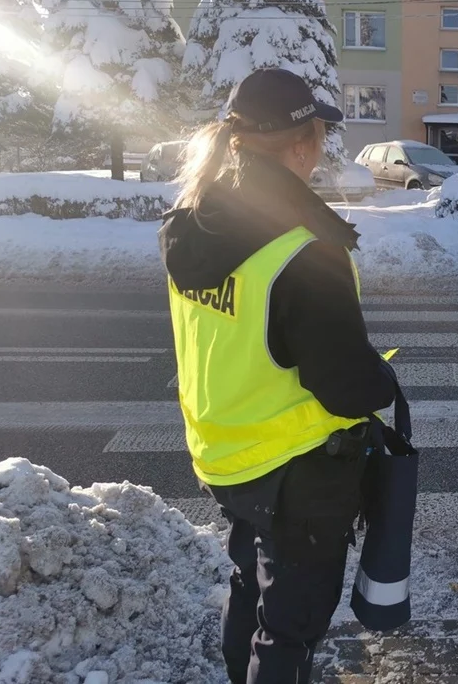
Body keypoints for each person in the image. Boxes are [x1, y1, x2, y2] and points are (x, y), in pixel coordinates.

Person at [157, 68, 397, 684]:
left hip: (225, 451)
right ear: (302, 144)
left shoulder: (192, 224)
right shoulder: (304, 248)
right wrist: (381, 383)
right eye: (319, 133)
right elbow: (343, 385)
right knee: (291, 627)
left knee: (249, 586)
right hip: (298, 469)